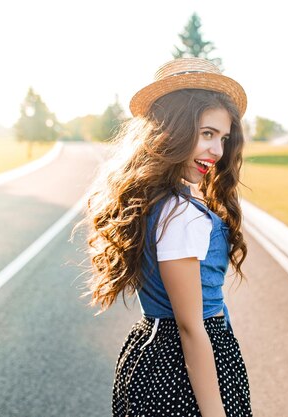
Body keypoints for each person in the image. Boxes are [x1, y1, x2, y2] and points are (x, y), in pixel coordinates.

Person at [82, 57, 253, 417]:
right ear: (172, 130)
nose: (217, 151)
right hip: (180, 371)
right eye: (207, 134)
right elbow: (191, 328)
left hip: (151, 354)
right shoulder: (181, 215)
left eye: (222, 138)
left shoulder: (160, 201)